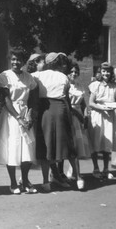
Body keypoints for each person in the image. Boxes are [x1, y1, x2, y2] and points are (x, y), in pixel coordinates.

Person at [32, 52, 78, 191]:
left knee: (45, 145)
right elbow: (66, 97)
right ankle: (73, 175)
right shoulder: (62, 77)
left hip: (45, 110)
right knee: (64, 144)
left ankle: (47, 180)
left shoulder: (37, 75)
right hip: (58, 109)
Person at [0, 47, 38, 194]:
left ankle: (25, 180)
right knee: (13, 149)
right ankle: (13, 182)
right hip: (11, 115)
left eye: (19, 59)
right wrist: (18, 118)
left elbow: (32, 99)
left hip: (25, 113)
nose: (16, 62)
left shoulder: (29, 77)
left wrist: (29, 116)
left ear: (23, 62)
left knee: (27, 149)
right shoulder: (5, 76)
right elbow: (6, 99)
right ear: (10, 60)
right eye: (13, 59)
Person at [88, 62, 116, 179]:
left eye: (108, 71)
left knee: (107, 142)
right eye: (103, 71)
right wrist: (102, 107)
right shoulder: (95, 85)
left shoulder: (115, 86)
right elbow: (91, 103)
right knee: (96, 141)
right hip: (97, 115)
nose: (106, 73)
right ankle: (95, 168)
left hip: (109, 116)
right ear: (100, 72)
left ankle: (106, 169)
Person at [64, 62, 90, 189]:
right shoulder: (65, 85)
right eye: (71, 71)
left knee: (77, 146)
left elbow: (84, 104)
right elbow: (66, 104)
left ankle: (74, 172)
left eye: (76, 72)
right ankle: (73, 174)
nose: (73, 74)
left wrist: (85, 116)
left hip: (78, 118)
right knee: (69, 146)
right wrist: (77, 115)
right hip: (68, 116)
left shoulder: (80, 86)